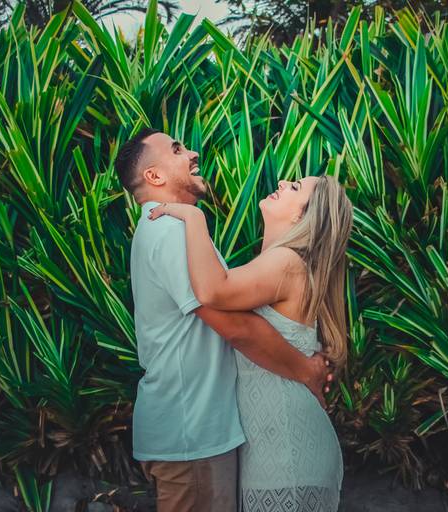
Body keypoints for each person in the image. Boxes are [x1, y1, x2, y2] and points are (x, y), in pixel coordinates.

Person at [115, 127, 333, 512]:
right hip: (193, 431)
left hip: (192, 428)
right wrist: (305, 370)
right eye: (178, 150)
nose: (192, 153)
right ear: (154, 176)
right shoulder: (170, 231)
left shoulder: (172, 227)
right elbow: (235, 326)